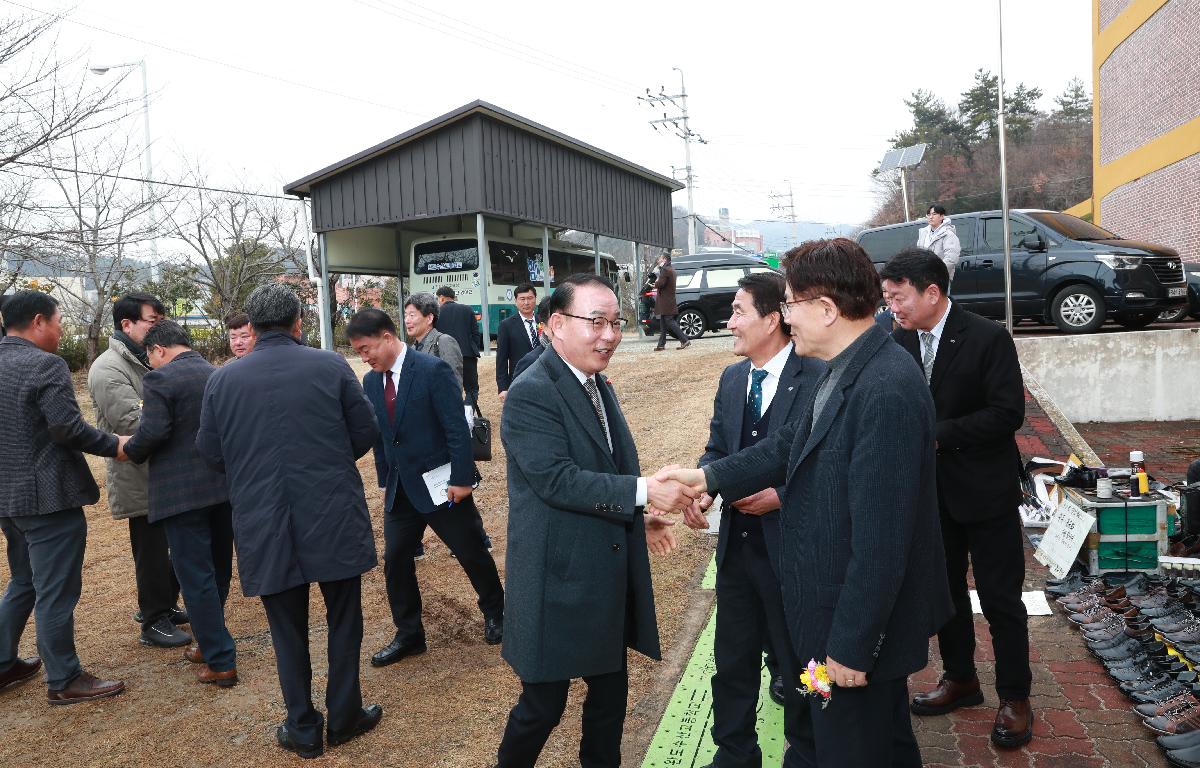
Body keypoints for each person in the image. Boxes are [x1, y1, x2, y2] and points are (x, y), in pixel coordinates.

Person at [662, 239, 954, 767]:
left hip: (850, 630)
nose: (786, 316)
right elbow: (785, 445)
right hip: (829, 616)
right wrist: (706, 475)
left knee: (853, 748)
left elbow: (881, 542)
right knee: (869, 746)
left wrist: (850, 646)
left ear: (826, 309)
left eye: (791, 303)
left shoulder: (884, 389)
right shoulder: (848, 367)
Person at [495, 273, 693, 768]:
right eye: (596, 322)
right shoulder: (531, 391)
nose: (609, 334)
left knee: (608, 703)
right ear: (556, 324)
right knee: (542, 706)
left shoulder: (595, 382)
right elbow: (557, 480)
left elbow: (607, 465)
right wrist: (644, 491)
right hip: (557, 579)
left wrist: (638, 515)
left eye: (615, 322)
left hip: (603, 571)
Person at [196, 284, 382, 758]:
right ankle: (344, 715)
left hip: (263, 515)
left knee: (287, 628)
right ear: (299, 322)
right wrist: (329, 461)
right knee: (344, 617)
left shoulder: (223, 380)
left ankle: (302, 726)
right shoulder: (330, 365)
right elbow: (364, 430)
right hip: (331, 509)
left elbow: (210, 452)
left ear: (252, 329)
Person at [881, 247, 1032, 749]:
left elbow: (1007, 412)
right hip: (930, 496)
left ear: (931, 292)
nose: (893, 307)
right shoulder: (896, 341)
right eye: (887, 298)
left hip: (985, 492)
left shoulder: (988, 337)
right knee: (943, 595)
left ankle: (1015, 696)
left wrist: (937, 434)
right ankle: (961, 678)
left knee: (1000, 598)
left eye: (898, 297)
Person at [682, 272, 826, 768]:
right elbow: (719, 449)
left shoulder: (817, 376)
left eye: (739, 311)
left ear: (772, 318)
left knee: (804, 665)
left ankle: (808, 751)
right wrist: (703, 489)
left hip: (793, 553)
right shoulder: (732, 378)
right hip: (738, 551)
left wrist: (783, 496)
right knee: (732, 662)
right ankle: (734, 753)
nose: (730, 323)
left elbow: (826, 463)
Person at [347, 308, 505, 668]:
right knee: (395, 560)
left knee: (470, 551)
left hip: (443, 485)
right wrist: (386, 482)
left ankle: (497, 611)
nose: (365, 356)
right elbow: (384, 440)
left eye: (366, 348)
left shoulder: (432, 371)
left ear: (387, 338)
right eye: (359, 351)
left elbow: (455, 428)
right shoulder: (371, 381)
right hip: (402, 489)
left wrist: (462, 479)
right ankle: (409, 634)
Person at [0, 290, 128, 704]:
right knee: (55, 589)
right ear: (38, 321)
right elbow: (68, 429)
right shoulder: (45, 365)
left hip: (7, 498)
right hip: (47, 499)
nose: (60, 331)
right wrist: (117, 444)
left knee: (24, 580)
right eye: (58, 322)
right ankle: (64, 678)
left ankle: (2, 663)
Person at [123, 320, 237, 688]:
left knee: (195, 576)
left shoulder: (160, 380)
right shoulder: (218, 374)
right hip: (222, 487)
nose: (151, 364)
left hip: (181, 494)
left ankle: (220, 660)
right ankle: (209, 642)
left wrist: (128, 448)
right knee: (218, 571)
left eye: (150, 357)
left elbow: (152, 432)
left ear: (158, 350)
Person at [86, 293, 190, 649]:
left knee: (170, 547)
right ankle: (153, 620)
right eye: (152, 320)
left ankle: (165, 606)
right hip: (138, 474)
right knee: (150, 552)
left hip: (163, 470)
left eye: (161, 319)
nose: (158, 325)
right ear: (126, 324)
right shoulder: (108, 368)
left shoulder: (146, 357)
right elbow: (131, 420)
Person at [404, 293, 464, 390]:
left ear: (429, 318)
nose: (407, 320)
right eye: (406, 315)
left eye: (412, 315)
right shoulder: (412, 349)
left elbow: (454, 386)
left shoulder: (444, 341)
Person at [435, 286, 483, 406]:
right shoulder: (467, 309)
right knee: (472, 390)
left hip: (445, 357)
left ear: (441, 298)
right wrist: (473, 348)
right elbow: (476, 333)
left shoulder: (436, 313)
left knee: (449, 390)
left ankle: (454, 417)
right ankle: (467, 419)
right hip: (467, 356)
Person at [495, 283, 538, 401]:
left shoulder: (544, 321)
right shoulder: (506, 325)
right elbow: (501, 359)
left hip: (545, 378)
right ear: (516, 301)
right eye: (522, 299)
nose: (526, 303)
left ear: (535, 299)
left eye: (530, 298)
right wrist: (503, 387)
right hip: (519, 379)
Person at [653, 253, 690, 351]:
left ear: (664, 259)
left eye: (659, 259)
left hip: (665, 301)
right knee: (663, 323)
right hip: (668, 300)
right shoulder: (671, 269)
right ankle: (661, 344)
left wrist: (655, 284)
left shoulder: (665, 270)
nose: (658, 261)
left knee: (669, 321)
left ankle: (684, 339)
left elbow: (661, 283)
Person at [511, 295, 553, 382]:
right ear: (544, 326)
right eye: (555, 322)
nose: (526, 302)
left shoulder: (578, 358)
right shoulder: (530, 362)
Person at [916, 204, 961, 283]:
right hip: (924, 277)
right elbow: (918, 254)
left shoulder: (948, 234)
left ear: (942, 216)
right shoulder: (923, 233)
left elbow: (951, 259)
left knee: (939, 296)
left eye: (934, 214)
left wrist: (936, 273)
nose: (931, 217)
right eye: (929, 214)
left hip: (940, 277)